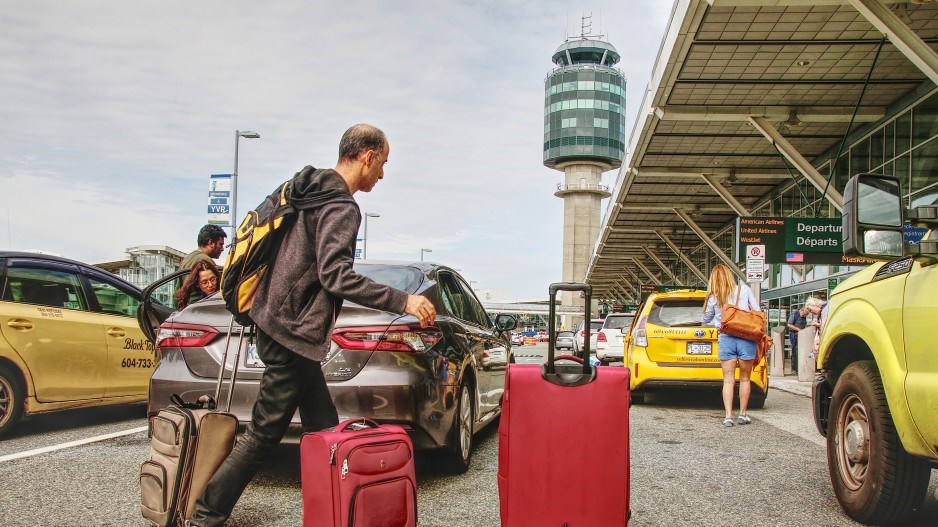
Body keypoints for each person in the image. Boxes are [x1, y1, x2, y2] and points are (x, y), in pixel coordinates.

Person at [186, 124, 437, 527]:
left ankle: (335, 511)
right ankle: (205, 515)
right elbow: (335, 276)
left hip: (277, 323)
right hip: (292, 333)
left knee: (323, 428)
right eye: (383, 164)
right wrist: (403, 299)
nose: (383, 175)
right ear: (368, 156)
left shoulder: (307, 191)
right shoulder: (340, 207)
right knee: (264, 436)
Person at [702, 263, 761, 428]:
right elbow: (757, 310)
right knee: (745, 378)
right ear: (729, 275)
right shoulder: (745, 290)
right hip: (746, 338)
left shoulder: (714, 297)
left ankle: (728, 416)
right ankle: (742, 414)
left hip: (726, 338)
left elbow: (706, 319)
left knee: (728, 380)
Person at [786, 304, 808, 375]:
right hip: (794, 334)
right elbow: (789, 324)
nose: (804, 316)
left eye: (806, 315)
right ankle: (793, 367)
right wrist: (798, 330)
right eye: (804, 314)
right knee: (794, 350)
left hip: (801, 334)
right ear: (801, 310)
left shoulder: (804, 316)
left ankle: (799, 367)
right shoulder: (795, 314)